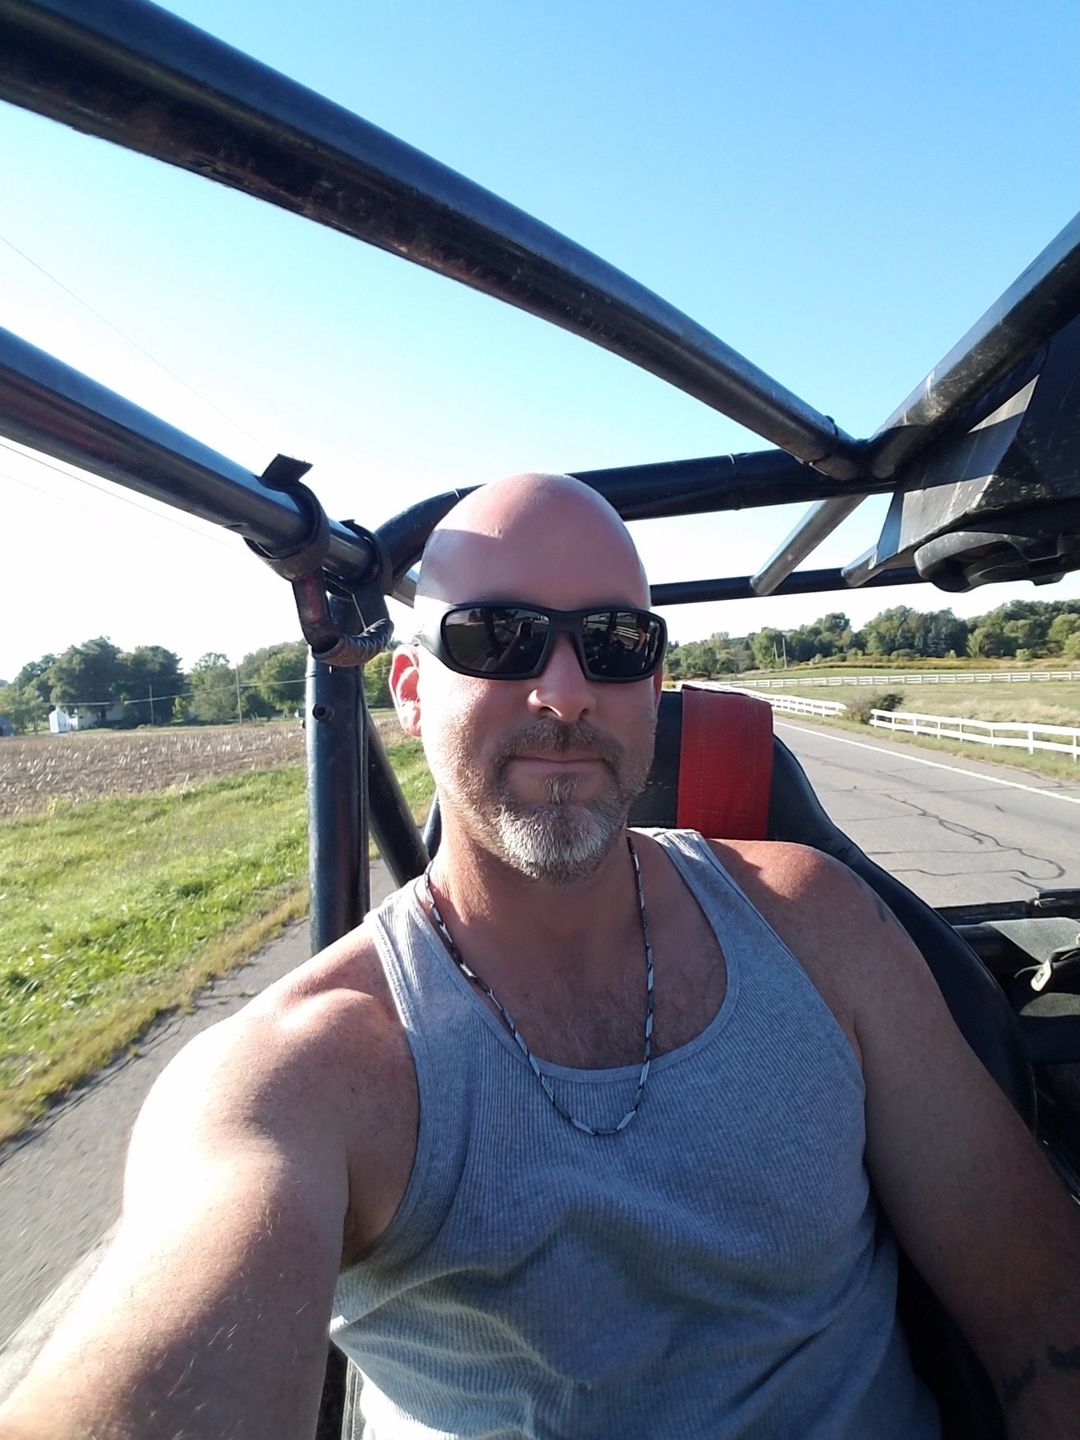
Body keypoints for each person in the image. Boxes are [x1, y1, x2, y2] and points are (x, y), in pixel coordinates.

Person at [1, 473, 1078, 1440]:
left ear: (653, 680)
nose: (565, 693)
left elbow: (1045, 1320)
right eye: (497, 638)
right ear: (410, 690)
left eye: (614, 643)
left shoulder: (819, 923)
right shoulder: (305, 1076)